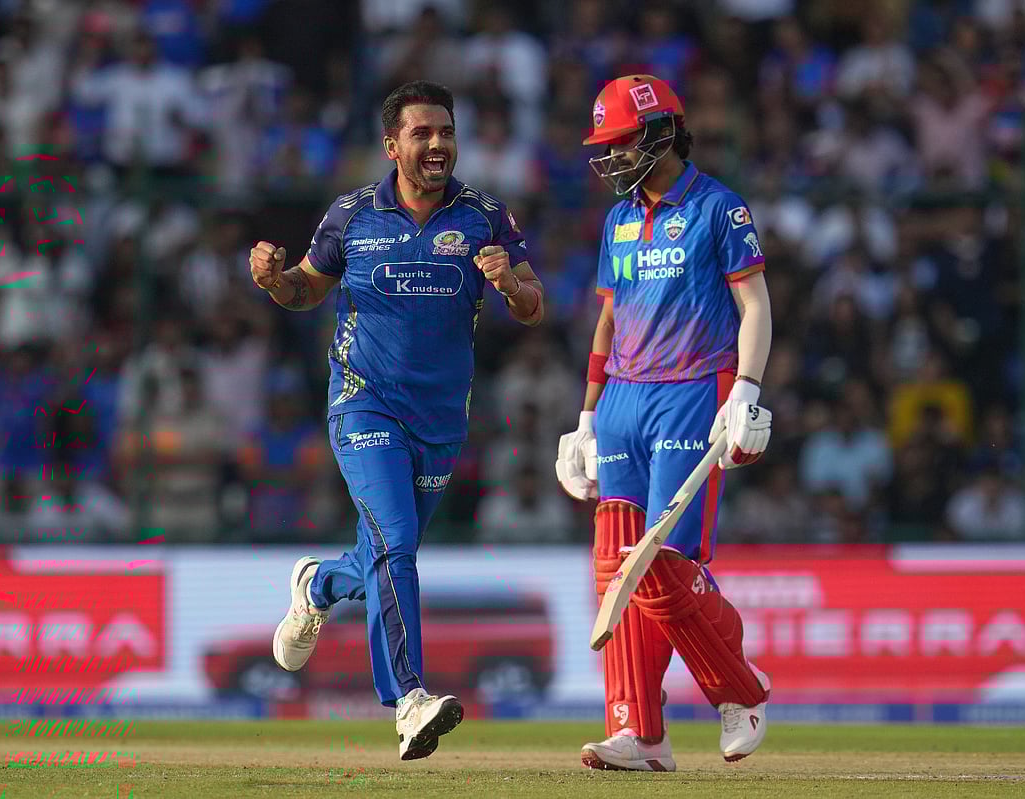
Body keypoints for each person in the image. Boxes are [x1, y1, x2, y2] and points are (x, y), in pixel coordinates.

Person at [247, 80, 544, 761]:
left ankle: (319, 583)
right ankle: (409, 698)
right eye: (422, 133)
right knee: (399, 541)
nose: (438, 143)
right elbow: (304, 289)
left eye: (445, 131)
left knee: (383, 552)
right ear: (391, 145)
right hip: (363, 402)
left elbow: (534, 305)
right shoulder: (351, 216)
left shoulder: (485, 216)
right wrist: (272, 280)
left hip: (441, 420)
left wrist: (510, 284)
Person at [556, 75, 773, 771]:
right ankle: (640, 733)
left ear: (660, 132)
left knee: (659, 568)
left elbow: (757, 306)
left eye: (622, 142)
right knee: (613, 572)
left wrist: (745, 387)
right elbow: (609, 317)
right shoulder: (619, 219)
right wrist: (585, 416)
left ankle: (741, 689)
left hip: (690, 391)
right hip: (622, 397)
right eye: (607, 146)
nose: (613, 158)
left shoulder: (718, 208)